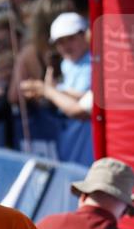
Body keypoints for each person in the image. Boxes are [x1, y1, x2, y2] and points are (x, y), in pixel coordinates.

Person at [20, 11, 93, 165]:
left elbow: (80, 104)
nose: (66, 46)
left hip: (87, 148)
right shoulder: (66, 64)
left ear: (84, 35)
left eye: (71, 39)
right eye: (60, 42)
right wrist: (51, 91)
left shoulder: (93, 62)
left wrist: (48, 90)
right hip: (69, 146)